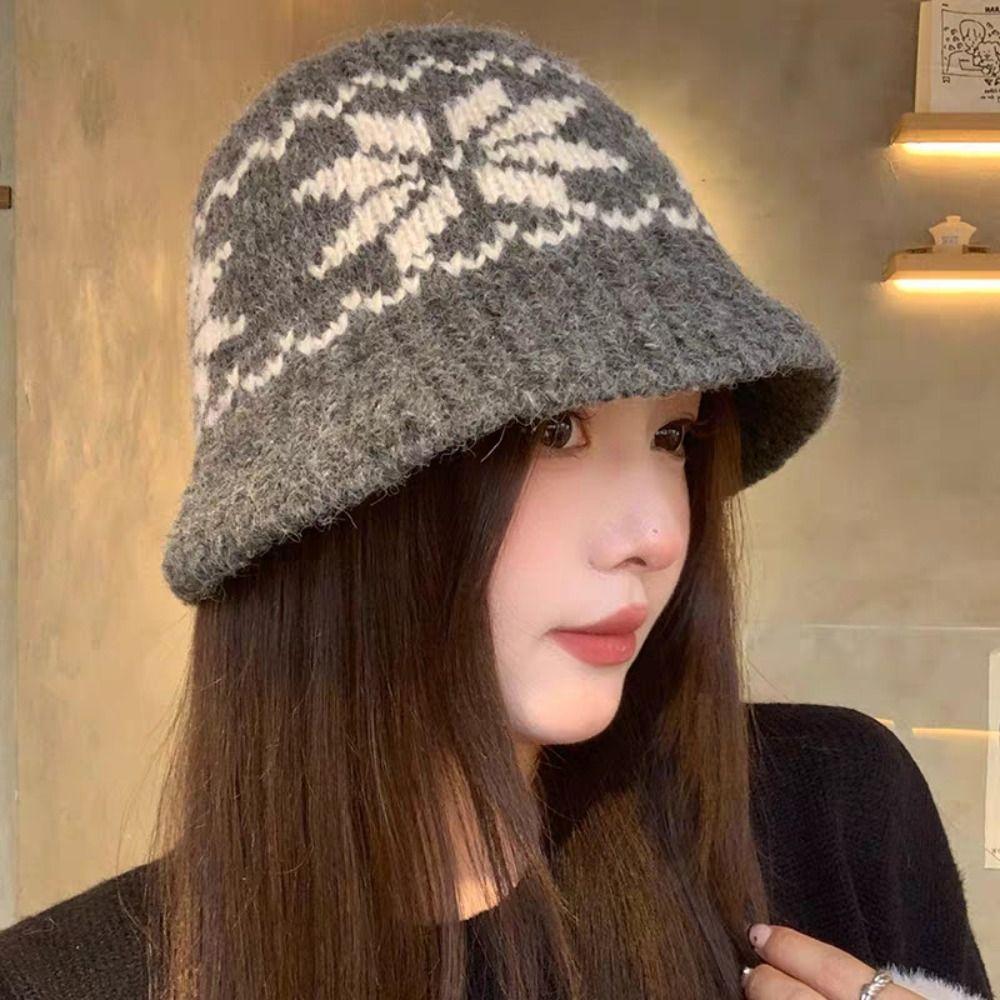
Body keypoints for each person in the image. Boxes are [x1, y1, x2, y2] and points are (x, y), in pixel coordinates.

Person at [0, 20, 993, 1000]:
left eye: (674, 437)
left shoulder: (832, 818)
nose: (658, 535)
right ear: (324, 503)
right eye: (555, 430)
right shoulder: (66, 981)